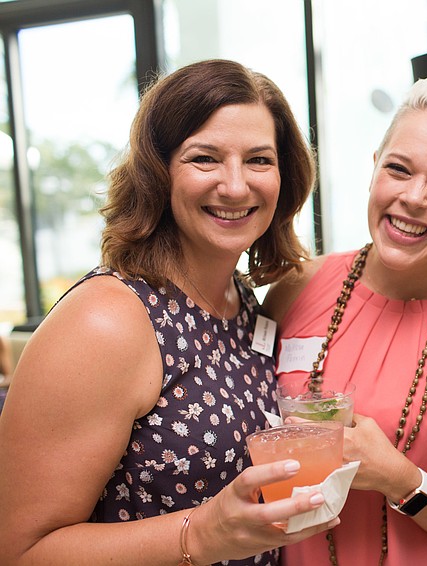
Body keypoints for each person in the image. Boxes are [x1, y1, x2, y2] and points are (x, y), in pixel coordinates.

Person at [0, 59, 339, 565]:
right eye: (205, 158)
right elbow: (17, 550)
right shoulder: (108, 320)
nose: (236, 185)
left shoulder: (242, 304)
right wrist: (200, 533)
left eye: (259, 160)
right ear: (157, 173)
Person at [263, 78, 427, 565]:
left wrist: (400, 478)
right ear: (374, 170)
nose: (413, 197)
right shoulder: (294, 289)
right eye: (398, 169)